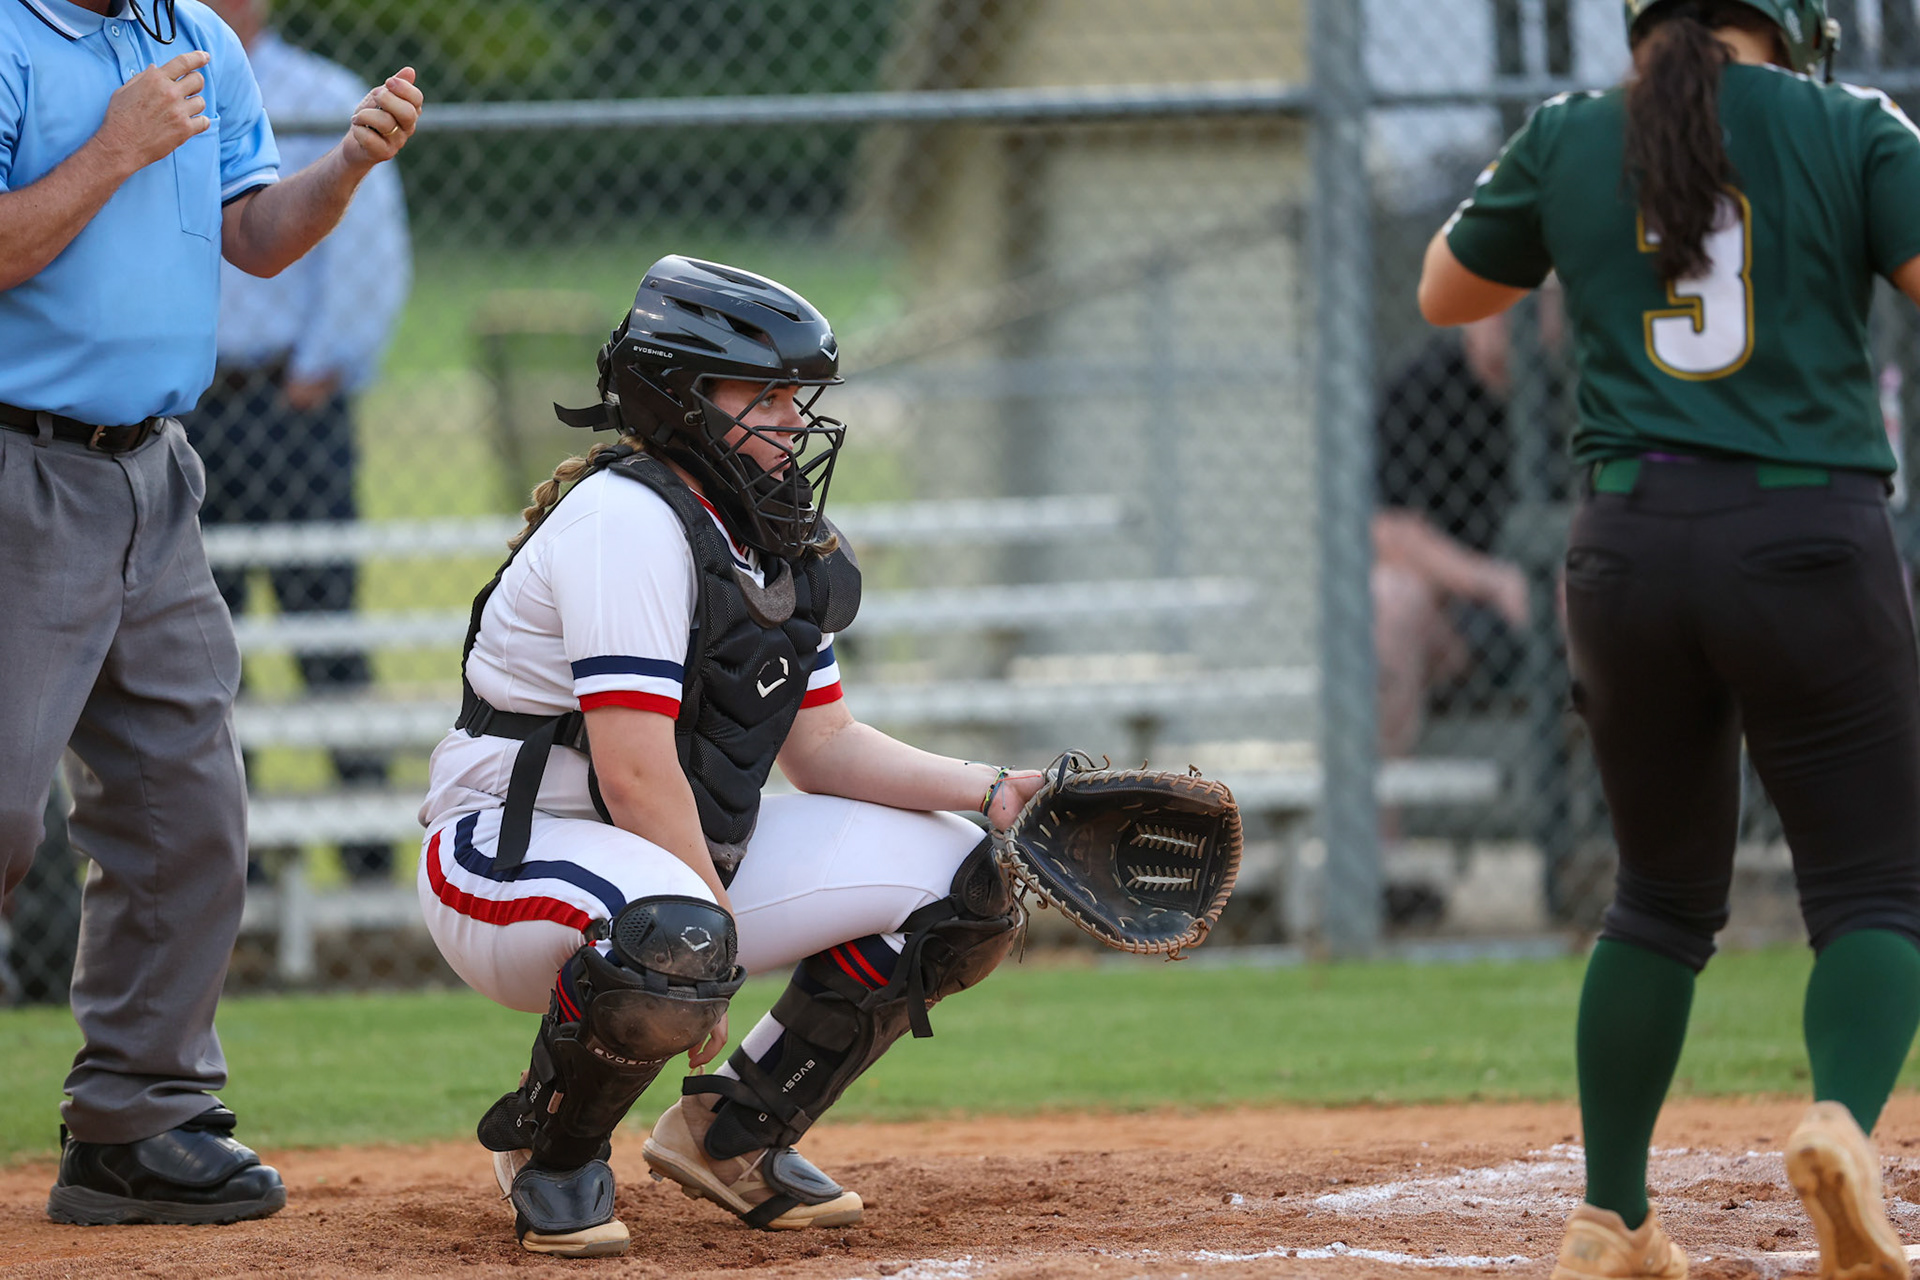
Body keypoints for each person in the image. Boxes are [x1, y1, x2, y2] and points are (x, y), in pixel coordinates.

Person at [1419, 2, 1920, 1278]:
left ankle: (1611, 1215)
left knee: (1656, 897)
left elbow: (1447, 290)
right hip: (1809, 537)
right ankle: (1841, 1131)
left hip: (1628, 547)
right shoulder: (1852, 124)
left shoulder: (1573, 131)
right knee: (1874, 887)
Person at [415, 255, 1047, 1259]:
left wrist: (998, 791)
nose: (793, 416)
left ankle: (732, 1130)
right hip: (508, 848)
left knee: (967, 876)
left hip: (658, 858)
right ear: (680, 398)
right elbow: (632, 770)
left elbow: (825, 746)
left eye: (798, 393)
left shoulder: (766, 527)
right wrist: (712, 936)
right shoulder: (626, 519)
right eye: (764, 392)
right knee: (680, 937)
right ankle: (553, 1146)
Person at [0, 0, 423, 1226]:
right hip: (19, 466)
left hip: (155, 475)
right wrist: (113, 150)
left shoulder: (200, 38)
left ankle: (136, 1121)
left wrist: (343, 165)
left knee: (187, 813)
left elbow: (255, 236)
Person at [189, 0, 412, 882]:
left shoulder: (322, 93)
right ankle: (230, 861)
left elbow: (369, 249)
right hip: (188, 407)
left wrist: (322, 367)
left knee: (326, 629)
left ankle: (367, 857)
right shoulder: (162, 81)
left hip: (292, 402)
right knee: (206, 643)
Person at [1374, 312, 1537, 758]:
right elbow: (1389, 531)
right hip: (1455, 612)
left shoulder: (1584, 388)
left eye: (1535, 300)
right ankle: (1377, 826)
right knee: (1389, 600)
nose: (1516, 318)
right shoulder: (1423, 388)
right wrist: (1495, 582)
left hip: (1561, 603)